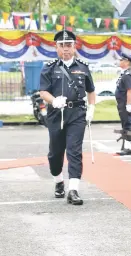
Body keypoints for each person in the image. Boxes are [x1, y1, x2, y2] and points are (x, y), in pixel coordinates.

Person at [39, 29, 96, 205]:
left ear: (74, 46)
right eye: (62, 45)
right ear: (56, 47)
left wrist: (91, 108)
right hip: (56, 114)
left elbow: (91, 90)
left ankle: (73, 189)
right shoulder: (49, 67)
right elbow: (43, 91)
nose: (66, 49)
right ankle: (58, 181)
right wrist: (54, 100)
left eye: (69, 45)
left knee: (74, 151)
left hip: (77, 114)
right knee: (55, 153)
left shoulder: (83, 67)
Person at [115, 53, 131, 156]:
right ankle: (126, 146)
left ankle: (128, 147)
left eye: (122, 60)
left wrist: (128, 104)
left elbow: (129, 91)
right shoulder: (124, 73)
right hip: (121, 103)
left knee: (127, 125)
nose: (120, 61)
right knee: (125, 125)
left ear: (127, 61)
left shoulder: (128, 74)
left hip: (125, 103)